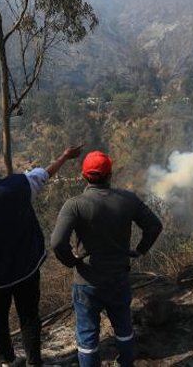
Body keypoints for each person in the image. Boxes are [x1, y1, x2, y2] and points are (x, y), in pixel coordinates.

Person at [0, 140, 83, 367]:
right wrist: (64, 156)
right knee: (29, 316)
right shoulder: (19, 184)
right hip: (27, 267)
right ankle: (34, 362)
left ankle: (7, 361)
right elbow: (45, 174)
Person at [51, 150, 163, 367]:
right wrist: (139, 250)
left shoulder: (75, 204)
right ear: (110, 175)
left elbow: (57, 242)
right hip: (118, 278)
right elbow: (154, 226)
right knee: (123, 327)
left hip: (87, 282)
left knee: (87, 335)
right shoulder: (128, 200)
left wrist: (71, 261)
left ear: (85, 176)